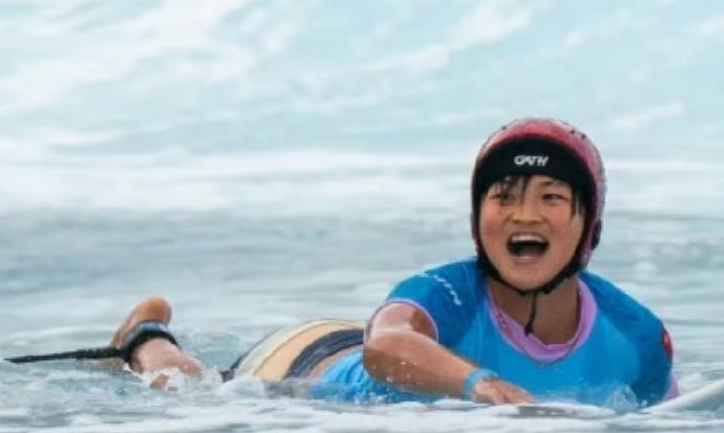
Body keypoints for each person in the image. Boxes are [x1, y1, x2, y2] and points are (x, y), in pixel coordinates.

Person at [104, 118, 675, 409]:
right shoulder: (446, 291)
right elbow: (384, 348)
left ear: (588, 224)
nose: (524, 215)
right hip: (307, 369)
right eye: (502, 197)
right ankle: (144, 338)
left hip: (374, 354)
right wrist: (483, 387)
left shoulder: (635, 333)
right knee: (191, 393)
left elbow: (669, 414)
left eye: (551, 198)